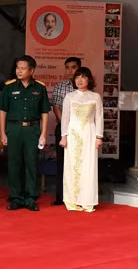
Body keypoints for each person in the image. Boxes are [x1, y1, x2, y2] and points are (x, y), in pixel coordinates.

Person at [0, 55, 50, 211]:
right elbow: (2, 111)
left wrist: (43, 133)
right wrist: (3, 133)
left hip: (32, 130)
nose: (19, 71)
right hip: (14, 129)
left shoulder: (39, 88)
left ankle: (30, 197)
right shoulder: (9, 87)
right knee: (14, 164)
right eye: (17, 68)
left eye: (22, 68)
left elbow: (44, 112)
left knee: (31, 163)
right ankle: (16, 197)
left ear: (31, 70)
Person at [60, 67, 103, 213]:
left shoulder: (95, 97)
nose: (80, 80)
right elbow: (65, 118)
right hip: (73, 135)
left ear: (89, 80)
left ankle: (87, 201)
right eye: (77, 77)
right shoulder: (69, 97)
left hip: (89, 134)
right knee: (72, 166)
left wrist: (99, 137)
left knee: (89, 167)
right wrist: (64, 136)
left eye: (83, 77)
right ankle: (72, 201)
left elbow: (99, 117)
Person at [49, 56, 80, 206]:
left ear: (79, 68)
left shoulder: (85, 87)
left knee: (79, 163)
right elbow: (56, 108)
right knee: (62, 163)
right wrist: (65, 126)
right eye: (67, 68)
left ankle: (79, 196)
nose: (70, 71)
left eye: (73, 67)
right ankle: (61, 196)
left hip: (81, 130)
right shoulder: (60, 86)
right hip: (63, 129)